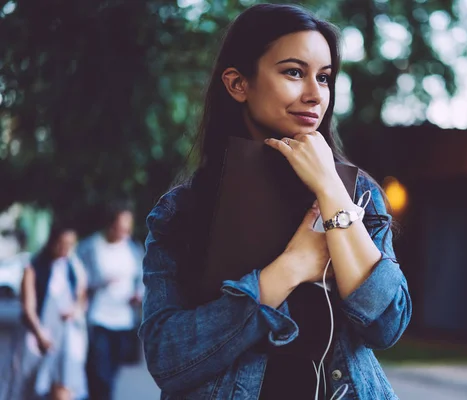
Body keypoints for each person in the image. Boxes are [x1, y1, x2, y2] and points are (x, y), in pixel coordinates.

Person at [139, 4, 412, 399]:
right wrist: (291, 267)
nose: (315, 94)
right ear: (237, 84)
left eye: (324, 77)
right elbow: (168, 358)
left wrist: (330, 188)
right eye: (294, 72)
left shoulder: (360, 194)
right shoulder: (181, 211)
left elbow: (387, 325)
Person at [76, 203, 144, 400]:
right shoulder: (91, 246)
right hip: (98, 317)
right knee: (99, 370)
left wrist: (138, 294)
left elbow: (140, 277)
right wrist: (99, 282)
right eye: (121, 227)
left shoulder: (132, 248)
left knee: (112, 370)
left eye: (128, 228)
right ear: (111, 224)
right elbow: (79, 278)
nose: (125, 232)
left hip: (123, 319)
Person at [20, 224, 88, 400]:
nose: (65, 249)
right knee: (34, 387)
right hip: (40, 336)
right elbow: (28, 307)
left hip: (67, 336)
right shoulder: (34, 267)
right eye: (62, 244)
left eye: (70, 245)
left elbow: (82, 296)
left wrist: (74, 310)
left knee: (64, 384)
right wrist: (40, 335)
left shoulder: (73, 266)